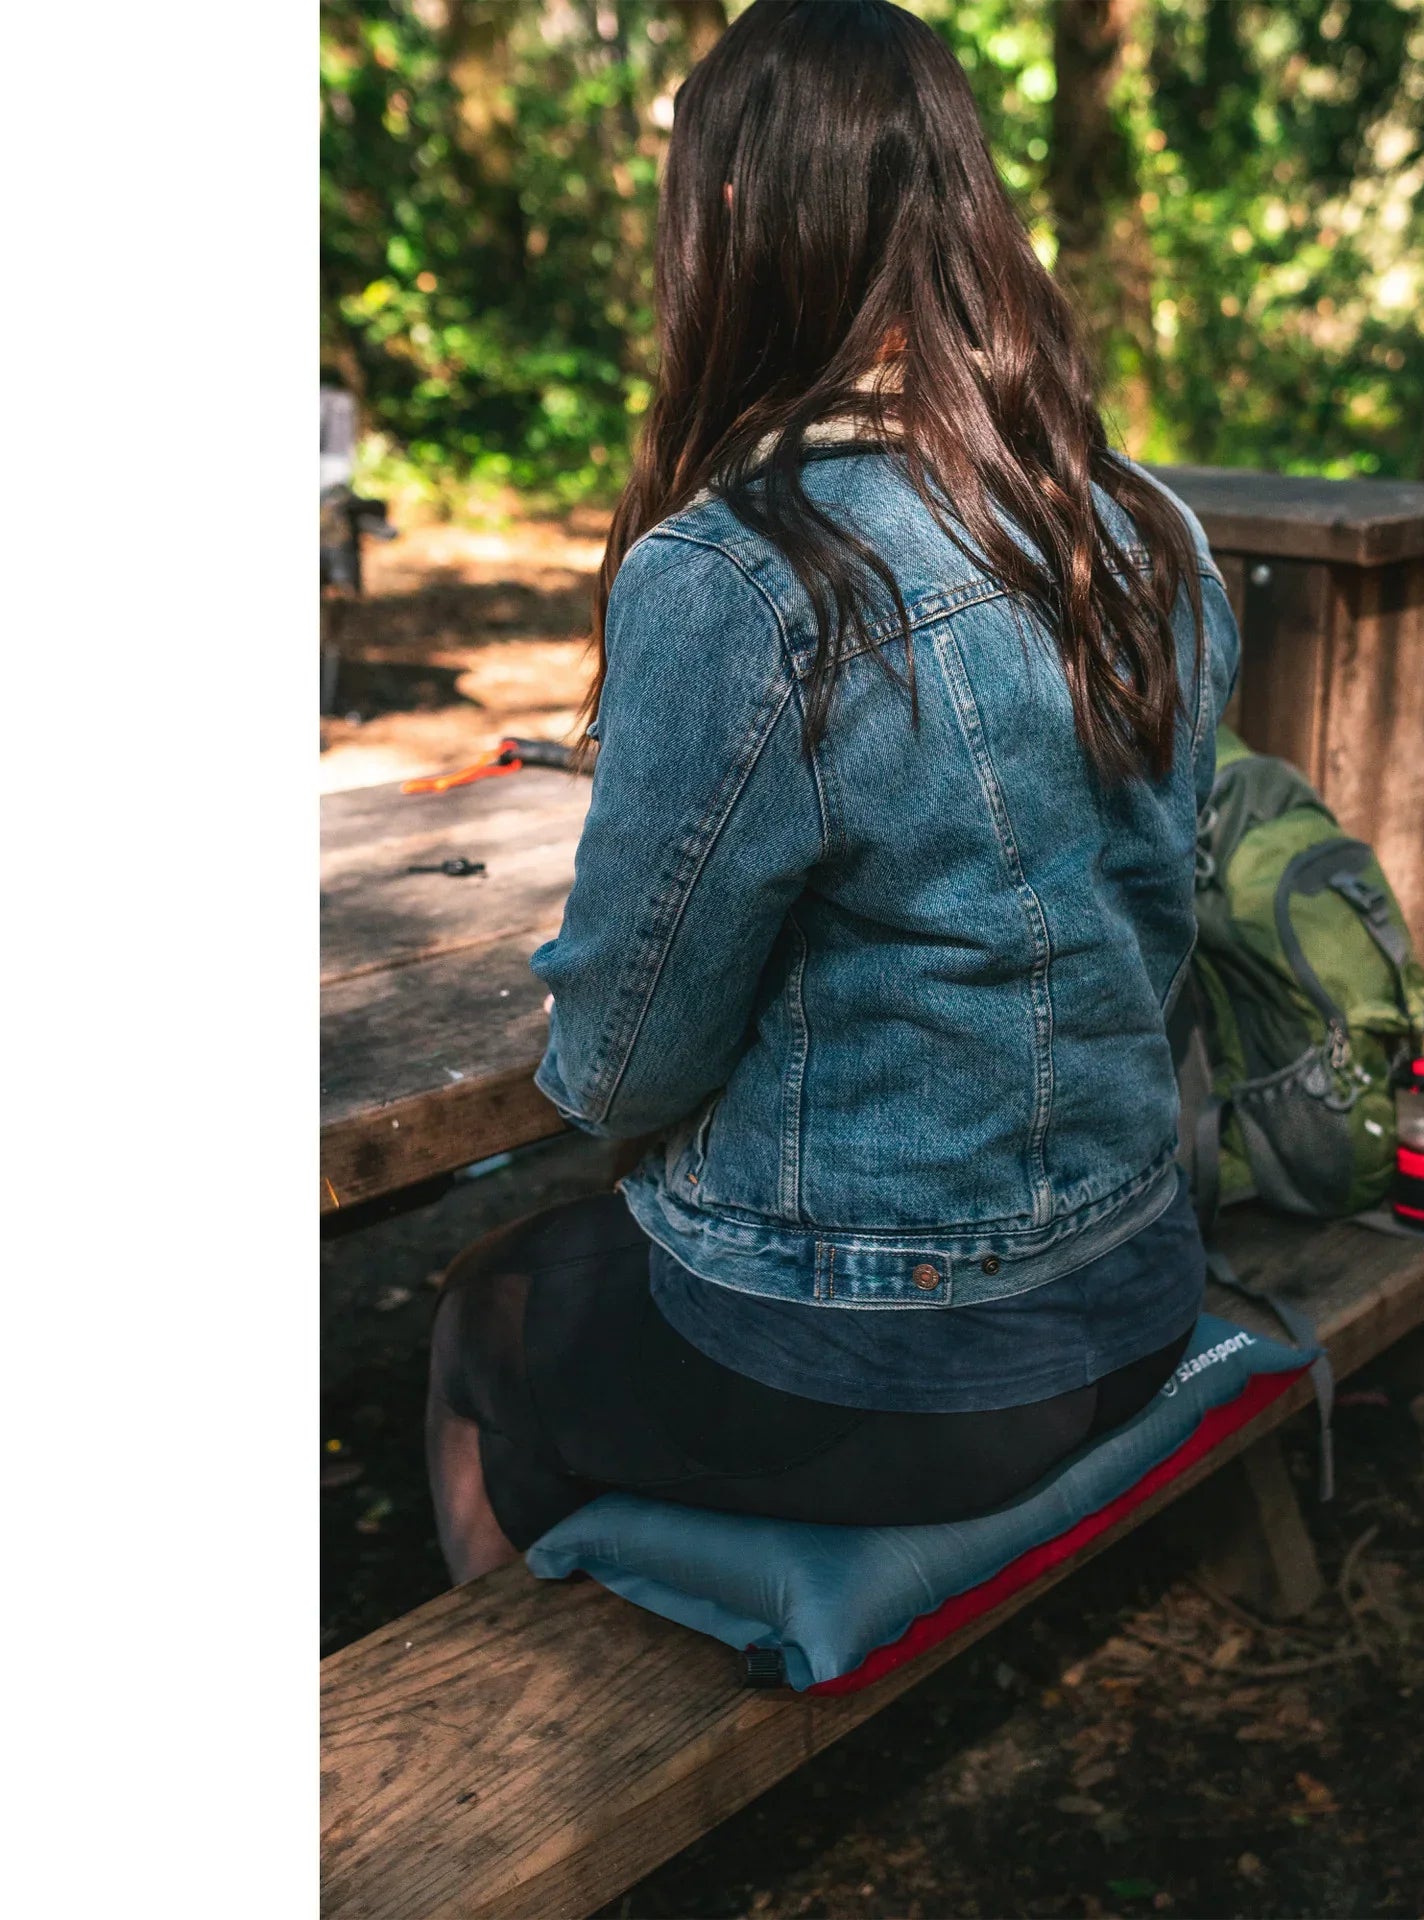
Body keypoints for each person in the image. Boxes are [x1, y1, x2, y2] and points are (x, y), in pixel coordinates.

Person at [425, 0, 1241, 1584]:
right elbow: (1138, 916)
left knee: (480, 1314)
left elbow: (621, 1063)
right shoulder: (1144, 531)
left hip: (897, 1372)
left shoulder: (749, 574)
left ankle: (525, 1768)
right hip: (1137, 1283)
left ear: (735, 215)